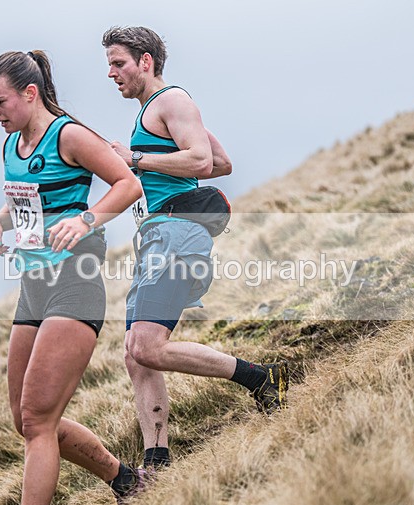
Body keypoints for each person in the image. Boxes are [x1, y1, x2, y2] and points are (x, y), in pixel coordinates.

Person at [102, 26, 289, 471]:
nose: (111, 73)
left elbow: (202, 161)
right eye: (109, 65)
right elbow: (222, 162)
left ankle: (261, 378)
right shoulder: (154, 111)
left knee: (147, 346)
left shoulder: (172, 101)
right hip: (159, 236)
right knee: (134, 353)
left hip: (177, 232)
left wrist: (135, 159)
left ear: (145, 61)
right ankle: (157, 459)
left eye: (118, 63)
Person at [0, 50, 145, 505]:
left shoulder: (69, 135)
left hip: (74, 286)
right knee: (26, 419)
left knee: (38, 421)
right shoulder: (12, 145)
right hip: (33, 287)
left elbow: (127, 184)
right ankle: (126, 481)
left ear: (30, 94)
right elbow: (26, 198)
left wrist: (87, 219)